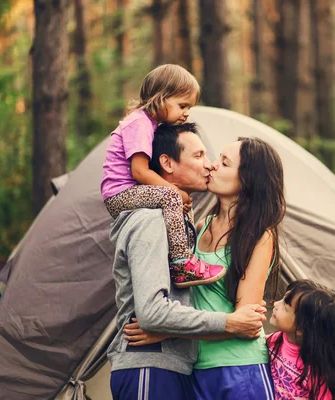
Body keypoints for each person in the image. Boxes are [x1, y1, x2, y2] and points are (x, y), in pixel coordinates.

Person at [108, 123, 267, 400]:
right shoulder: (152, 220)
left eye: (217, 160)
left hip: (208, 367)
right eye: (199, 157)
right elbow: (152, 313)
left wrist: (168, 333)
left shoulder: (185, 223)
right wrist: (228, 322)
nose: (210, 166)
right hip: (152, 364)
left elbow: (244, 320)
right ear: (167, 163)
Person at [101, 64, 225, 288]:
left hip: (131, 191)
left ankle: (184, 254)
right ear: (161, 98)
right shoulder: (139, 123)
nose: (186, 112)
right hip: (120, 194)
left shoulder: (149, 124)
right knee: (172, 197)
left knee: (182, 203)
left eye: (189, 107)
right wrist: (174, 192)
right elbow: (138, 171)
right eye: (182, 105)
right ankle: (181, 265)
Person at [268, 279, 335, 400]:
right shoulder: (274, 340)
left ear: (301, 328)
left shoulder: (318, 376)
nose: (276, 304)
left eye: (285, 306)